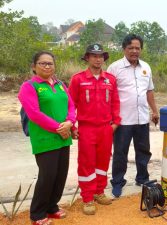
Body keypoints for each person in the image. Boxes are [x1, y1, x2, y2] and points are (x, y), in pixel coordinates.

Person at [18, 51, 75, 225]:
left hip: (63, 136)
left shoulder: (60, 84)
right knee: (47, 176)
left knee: (60, 174)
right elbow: (34, 114)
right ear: (34, 66)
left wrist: (70, 122)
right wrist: (60, 128)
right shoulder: (29, 87)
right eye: (43, 63)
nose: (47, 66)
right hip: (45, 138)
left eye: (50, 63)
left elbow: (71, 105)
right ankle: (37, 213)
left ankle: (52, 207)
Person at [68, 44, 121, 215]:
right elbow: (71, 105)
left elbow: (115, 102)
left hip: (106, 129)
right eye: (94, 56)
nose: (98, 59)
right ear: (87, 58)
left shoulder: (110, 79)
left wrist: (115, 123)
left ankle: (99, 191)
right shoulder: (78, 79)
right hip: (87, 129)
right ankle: (87, 197)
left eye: (100, 56)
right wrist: (73, 126)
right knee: (86, 163)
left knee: (102, 162)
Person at [107, 34, 159, 198]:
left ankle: (142, 178)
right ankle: (117, 182)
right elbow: (108, 93)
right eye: (131, 48)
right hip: (122, 120)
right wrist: (110, 117)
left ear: (141, 49)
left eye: (137, 48)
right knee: (120, 153)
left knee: (143, 151)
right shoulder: (115, 68)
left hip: (142, 117)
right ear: (124, 49)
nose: (134, 51)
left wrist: (155, 110)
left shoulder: (146, 67)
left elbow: (149, 91)